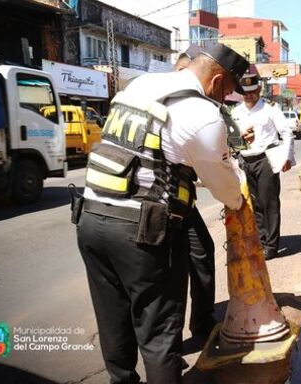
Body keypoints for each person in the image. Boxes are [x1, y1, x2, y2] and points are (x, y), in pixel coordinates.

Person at [73, 43, 249, 384]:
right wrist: (241, 203)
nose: (227, 97)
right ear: (216, 81)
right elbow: (226, 189)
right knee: (159, 337)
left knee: (114, 321)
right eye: (229, 89)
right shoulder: (201, 113)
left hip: (91, 218)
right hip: (143, 234)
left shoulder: (141, 85)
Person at [174, 45, 217, 337]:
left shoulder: (197, 106)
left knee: (203, 252)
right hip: (157, 203)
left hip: (183, 198)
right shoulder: (162, 101)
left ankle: (201, 321)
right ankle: (168, 342)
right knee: (172, 273)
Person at [232, 73, 295, 260]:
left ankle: (271, 245)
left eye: (252, 91)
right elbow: (232, 138)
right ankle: (260, 239)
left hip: (266, 159)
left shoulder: (270, 109)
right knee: (254, 204)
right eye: (245, 92)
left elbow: (287, 133)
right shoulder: (236, 112)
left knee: (269, 203)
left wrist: (287, 158)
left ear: (259, 90)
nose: (249, 95)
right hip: (245, 161)